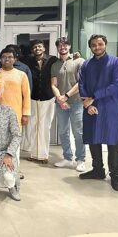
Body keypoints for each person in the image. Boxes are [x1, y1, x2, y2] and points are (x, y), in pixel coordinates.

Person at [79, 34, 118, 192]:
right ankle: (98, 170)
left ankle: (116, 176)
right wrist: (87, 103)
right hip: (90, 107)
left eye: (100, 44)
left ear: (105, 44)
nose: (97, 47)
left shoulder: (116, 62)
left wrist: (94, 97)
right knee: (93, 140)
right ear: (90, 47)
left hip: (110, 108)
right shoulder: (86, 65)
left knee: (113, 142)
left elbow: (117, 85)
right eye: (93, 45)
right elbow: (82, 84)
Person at [51, 38, 86, 172]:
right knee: (63, 131)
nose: (62, 47)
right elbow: (53, 84)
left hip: (76, 102)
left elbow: (80, 83)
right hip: (60, 103)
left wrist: (66, 96)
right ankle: (67, 158)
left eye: (65, 45)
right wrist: (60, 99)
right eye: (60, 45)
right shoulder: (55, 65)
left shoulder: (79, 61)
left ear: (69, 46)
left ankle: (81, 159)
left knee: (78, 132)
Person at [22, 40, 57, 163]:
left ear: (44, 48)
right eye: (35, 47)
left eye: (40, 46)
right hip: (33, 97)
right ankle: (33, 154)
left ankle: (44, 155)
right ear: (32, 50)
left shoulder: (53, 60)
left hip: (48, 97)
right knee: (32, 126)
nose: (37, 48)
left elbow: (64, 63)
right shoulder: (28, 61)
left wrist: (75, 56)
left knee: (45, 126)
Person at [0, 48, 31, 128]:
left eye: (10, 57)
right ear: (0, 59)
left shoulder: (21, 75)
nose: (7, 59)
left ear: (15, 59)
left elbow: (26, 95)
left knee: (15, 138)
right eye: (4, 57)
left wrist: (25, 114)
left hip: (16, 113)